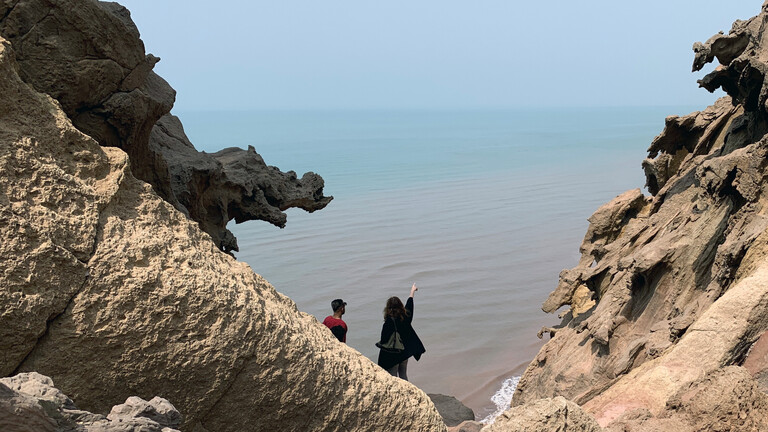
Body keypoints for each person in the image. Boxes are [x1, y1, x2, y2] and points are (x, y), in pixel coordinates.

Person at [377, 283, 425, 380]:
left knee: (394, 377)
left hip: (393, 354)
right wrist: (412, 291)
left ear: (388, 308)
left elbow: (384, 340)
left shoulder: (388, 323)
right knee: (403, 374)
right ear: (400, 306)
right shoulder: (406, 317)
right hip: (404, 352)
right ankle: (407, 393)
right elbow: (409, 304)